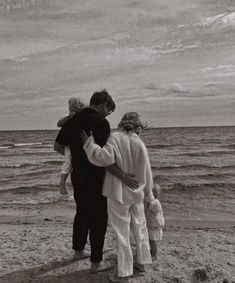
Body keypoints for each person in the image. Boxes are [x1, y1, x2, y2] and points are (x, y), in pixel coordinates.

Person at [55, 90, 138, 274]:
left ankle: (78, 251)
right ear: (103, 105)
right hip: (97, 176)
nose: (108, 114)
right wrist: (122, 174)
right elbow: (103, 158)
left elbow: (58, 146)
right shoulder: (101, 123)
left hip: (78, 176)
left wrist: (77, 158)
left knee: (82, 212)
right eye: (109, 110)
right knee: (99, 218)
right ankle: (96, 262)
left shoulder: (73, 120)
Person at [81, 112, 156, 282]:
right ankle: (142, 262)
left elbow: (103, 158)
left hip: (118, 193)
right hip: (137, 192)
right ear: (138, 126)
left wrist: (89, 144)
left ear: (122, 123)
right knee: (140, 228)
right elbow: (147, 172)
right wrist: (149, 195)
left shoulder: (115, 138)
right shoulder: (140, 143)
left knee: (122, 233)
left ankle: (124, 273)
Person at [56, 97, 86, 195]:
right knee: (68, 161)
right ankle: (62, 185)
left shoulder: (83, 115)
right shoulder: (67, 116)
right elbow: (59, 124)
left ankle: (63, 185)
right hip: (69, 141)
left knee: (70, 160)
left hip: (77, 141)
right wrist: (69, 116)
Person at [144, 183, 164, 259]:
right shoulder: (150, 201)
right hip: (151, 224)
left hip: (154, 225)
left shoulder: (155, 202)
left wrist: (149, 203)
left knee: (153, 240)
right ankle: (152, 251)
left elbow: (156, 209)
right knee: (150, 239)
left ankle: (154, 255)